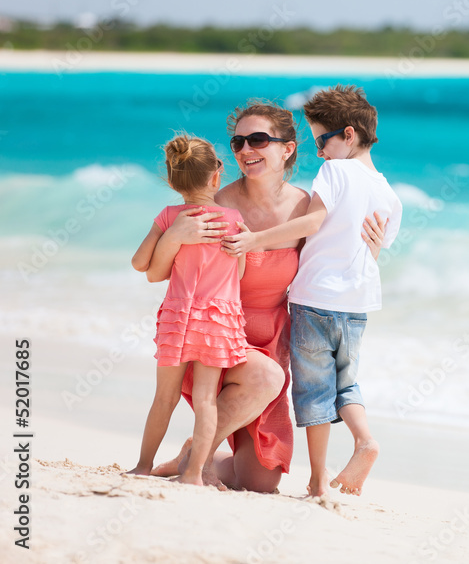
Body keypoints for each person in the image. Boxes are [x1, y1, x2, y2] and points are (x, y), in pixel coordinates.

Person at [145, 101, 386, 493]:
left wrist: (371, 250)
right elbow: (159, 273)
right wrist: (173, 237)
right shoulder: (217, 206)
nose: (245, 150)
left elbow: (336, 266)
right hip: (215, 339)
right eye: (237, 142)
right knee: (264, 376)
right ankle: (198, 460)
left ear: (288, 148)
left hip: (271, 341)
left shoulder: (308, 208)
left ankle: (191, 452)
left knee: (259, 481)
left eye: (257, 140)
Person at [222, 85, 402, 497]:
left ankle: (319, 480)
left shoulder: (335, 172)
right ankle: (365, 439)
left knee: (313, 392)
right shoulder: (390, 192)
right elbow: (376, 245)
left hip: (316, 299)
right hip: (358, 304)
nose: (319, 152)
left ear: (349, 135)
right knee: (346, 384)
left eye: (323, 140)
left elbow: (312, 223)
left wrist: (254, 241)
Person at [128, 135, 248, 486]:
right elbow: (238, 275)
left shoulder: (169, 216)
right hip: (218, 320)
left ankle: (142, 466)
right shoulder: (233, 219)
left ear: (171, 181)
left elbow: (141, 265)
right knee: (207, 399)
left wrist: (171, 236)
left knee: (163, 398)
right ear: (216, 176)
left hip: (178, 317)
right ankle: (194, 473)